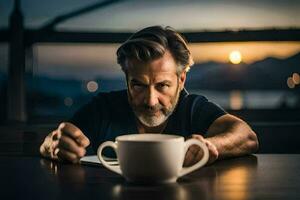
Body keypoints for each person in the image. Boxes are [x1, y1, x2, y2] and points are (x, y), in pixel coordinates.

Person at [40, 26, 259, 166]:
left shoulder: (192, 107)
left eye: (163, 85)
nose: (150, 100)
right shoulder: (104, 107)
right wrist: (54, 144)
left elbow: (247, 137)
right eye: (138, 85)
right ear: (126, 78)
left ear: (181, 80)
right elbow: (54, 140)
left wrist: (210, 147)